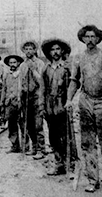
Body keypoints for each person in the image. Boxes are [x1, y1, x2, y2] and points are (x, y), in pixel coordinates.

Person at [65, 25, 102, 194]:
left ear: (98, 38)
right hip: (86, 102)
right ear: (83, 39)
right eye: (87, 36)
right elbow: (74, 80)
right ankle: (92, 180)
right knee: (87, 142)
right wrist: (68, 100)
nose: (90, 39)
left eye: (93, 36)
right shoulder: (78, 58)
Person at [40, 38, 73, 175]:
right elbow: (42, 89)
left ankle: (69, 165)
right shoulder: (46, 68)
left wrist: (69, 102)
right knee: (53, 136)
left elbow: (73, 86)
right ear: (49, 52)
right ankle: (58, 163)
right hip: (49, 106)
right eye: (52, 49)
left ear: (62, 51)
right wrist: (42, 106)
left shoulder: (66, 68)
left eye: (58, 49)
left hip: (63, 106)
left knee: (65, 135)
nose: (55, 52)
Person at [19, 40, 45, 160]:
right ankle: (34, 147)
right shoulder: (22, 65)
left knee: (38, 124)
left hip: (37, 95)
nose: (29, 51)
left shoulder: (39, 63)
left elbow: (42, 81)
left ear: (35, 50)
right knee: (28, 123)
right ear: (23, 51)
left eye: (31, 49)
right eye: (26, 49)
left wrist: (34, 70)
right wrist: (20, 96)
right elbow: (20, 82)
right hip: (26, 97)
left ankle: (41, 148)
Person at [0, 55, 28, 153]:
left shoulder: (22, 74)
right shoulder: (7, 75)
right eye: (10, 63)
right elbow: (4, 89)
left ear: (18, 63)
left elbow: (26, 88)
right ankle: (15, 146)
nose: (12, 65)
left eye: (14, 62)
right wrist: (2, 102)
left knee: (23, 124)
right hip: (9, 103)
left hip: (20, 103)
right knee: (11, 125)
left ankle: (26, 146)